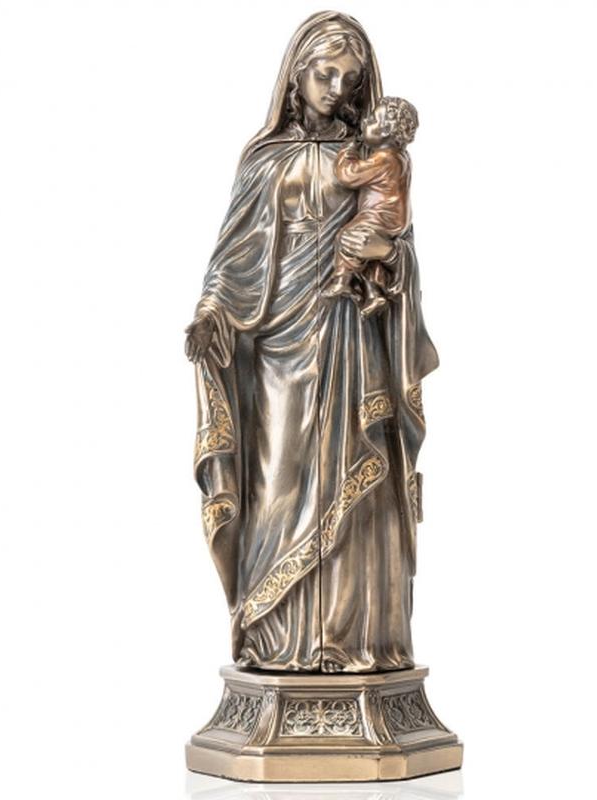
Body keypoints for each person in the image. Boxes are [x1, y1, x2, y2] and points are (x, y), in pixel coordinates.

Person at [184, 11, 439, 673]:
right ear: (296, 75)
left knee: (359, 479)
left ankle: (356, 642)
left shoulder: (380, 158)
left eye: (350, 79)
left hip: (353, 334)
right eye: (325, 73)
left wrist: (387, 259)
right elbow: (233, 256)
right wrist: (212, 310)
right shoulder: (266, 159)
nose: (336, 89)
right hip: (279, 346)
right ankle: (276, 640)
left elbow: (399, 245)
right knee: (279, 481)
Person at [323, 96, 419, 317]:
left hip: (380, 215)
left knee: (348, 237)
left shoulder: (383, 159)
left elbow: (349, 175)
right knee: (369, 256)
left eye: (373, 120)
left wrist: (347, 153)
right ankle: (374, 293)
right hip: (395, 218)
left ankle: (342, 280)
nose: (365, 122)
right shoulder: (401, 157)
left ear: (386, 132)